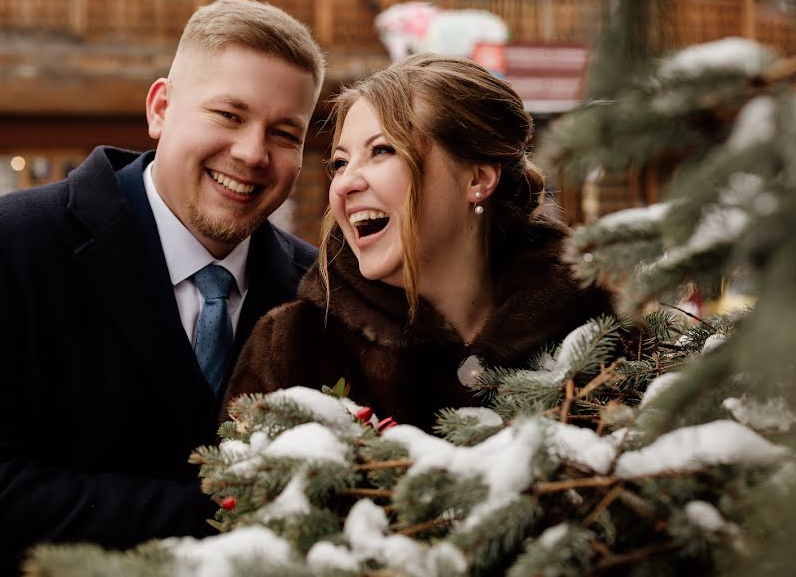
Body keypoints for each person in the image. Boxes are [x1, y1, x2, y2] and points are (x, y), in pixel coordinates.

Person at [0, 0, 324, 576]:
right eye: (228, 114)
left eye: (285, 132)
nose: (252, 152)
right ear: (161, 108)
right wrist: (227, 518)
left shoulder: (318, 292)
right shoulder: (7, 245)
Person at [224, 54, 614, 430]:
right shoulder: (293, 350)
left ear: (477, 179)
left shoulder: (595, 332)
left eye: (381, 150)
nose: (344, 183)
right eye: (340, 163)